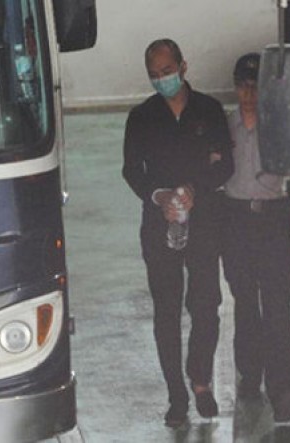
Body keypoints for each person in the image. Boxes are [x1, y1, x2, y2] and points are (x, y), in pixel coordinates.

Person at [122, 38, 234, 428]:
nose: (161, 80)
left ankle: (200, 379)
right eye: (154, 75)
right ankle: (176, 396)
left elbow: (225, 165)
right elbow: (132, 170)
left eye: (167, 72)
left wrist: (193, 190)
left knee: (206, 305)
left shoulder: (209, 110)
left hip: (203, 223)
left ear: (183, 67)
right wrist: (160, 197)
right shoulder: (141, 117)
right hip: (160, 225)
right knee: (166, 312)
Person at [222, 53, 290, 422]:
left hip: (273, 217)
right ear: (235, 88)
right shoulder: (226, 126)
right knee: (244, 303)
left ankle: (285, 391)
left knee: (276, 308)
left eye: (255, 87)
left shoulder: (280, 125)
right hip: (235, 218)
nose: (249, 94)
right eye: (243, 87)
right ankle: (249, 372)